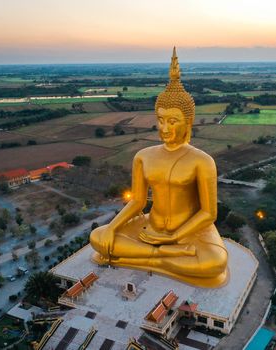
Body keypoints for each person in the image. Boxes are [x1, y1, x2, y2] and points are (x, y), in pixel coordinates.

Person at [90, 48, 228, 288]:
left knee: (215, 263)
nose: (164, 128)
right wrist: (112, 228)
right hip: (149, 228)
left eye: (173, 121)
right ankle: (166, 257)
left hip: (190, 232)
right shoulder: (143, 156)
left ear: (188, 122)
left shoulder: (202, 161)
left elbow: (209, 214)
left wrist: (174, 236)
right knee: (98, 237)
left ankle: (144, 257)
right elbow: (137, 202)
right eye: (161, 120)